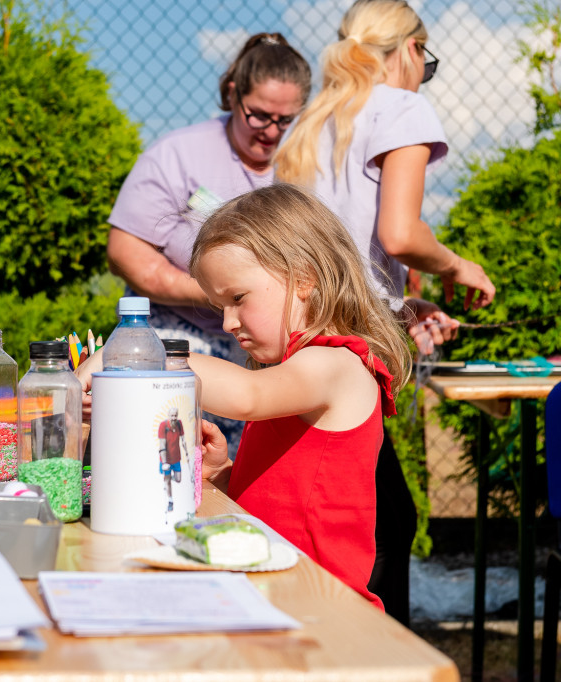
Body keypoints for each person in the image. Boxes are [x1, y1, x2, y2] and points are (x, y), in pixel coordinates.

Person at [80, 184, 412, 609]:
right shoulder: (293, 374)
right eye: (221, 307)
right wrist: (224, 473)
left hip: (322, 607)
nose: (228, 323)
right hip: (275, 591)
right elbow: (283, 500)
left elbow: (246, 396)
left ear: (304, 276)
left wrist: (135, 352)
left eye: (237, 299)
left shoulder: (337, 365)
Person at [272, 0, 496, 625]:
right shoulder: (401, 107)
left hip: (302, 334)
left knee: (337, 509)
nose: (423, 72)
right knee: (383, 520)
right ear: (408, 50)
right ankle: (375, 652)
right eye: (425, 59)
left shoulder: (316, 119)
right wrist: (456, 268)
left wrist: (400, 302)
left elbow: (344, 249)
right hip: (346, 351)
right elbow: (398, 234)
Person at [105, 32, 311, 454]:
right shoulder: (178, 155)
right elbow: (126, 251)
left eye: (285, 120)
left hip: (271, 350)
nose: (271, 132)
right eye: (259, 115)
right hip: (180, 335)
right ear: (234, 94)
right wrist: (219, 296)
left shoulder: (304, 165)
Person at [157, 407, 187, 512]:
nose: (173, 418)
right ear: (168, 415)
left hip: (176, 458)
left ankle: (168, 480)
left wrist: (186, 450)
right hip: (166, 459)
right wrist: (165, 462)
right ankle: (170, 501)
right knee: (168, 480)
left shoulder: (179, 424)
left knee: (178, 479)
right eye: (172, 415)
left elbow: (183, 438)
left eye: (175, 415)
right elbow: (162, 444)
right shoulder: (163, 426)